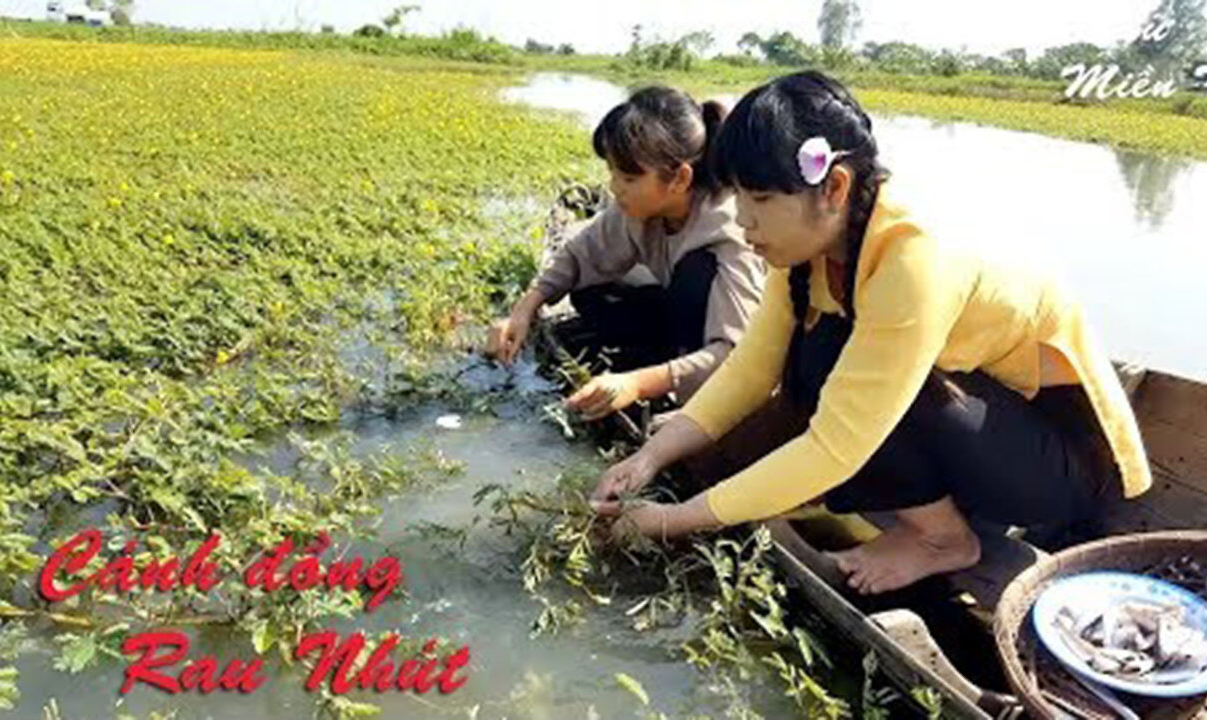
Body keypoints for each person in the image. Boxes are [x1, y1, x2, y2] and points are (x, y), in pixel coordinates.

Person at [589, 71, 1152, 594]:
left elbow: (835, 447)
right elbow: (751, 369)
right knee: (807, 359)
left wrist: (673, 520)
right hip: (982, 431)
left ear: (834, 186)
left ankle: (942, 539)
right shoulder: (811, 252)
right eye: (737, 197)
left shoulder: (914, 257)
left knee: (835, 362)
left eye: (760, 199)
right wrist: (652, 457)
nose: (743, 221)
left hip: (1057, 471)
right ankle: (935, 519)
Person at [486, 86, 765, 419]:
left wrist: (638, 384)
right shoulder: (638, 209)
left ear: (679, 178)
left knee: (695, 275)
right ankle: (664, 358)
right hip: (676, 316)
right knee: (589, 290)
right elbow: (577, 256)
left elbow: (735, 355)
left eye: (629, 178)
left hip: (726, 345)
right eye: (613, 174)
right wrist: (524, 309)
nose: (615, 188)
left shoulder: (730, 233)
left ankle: (679, 387)